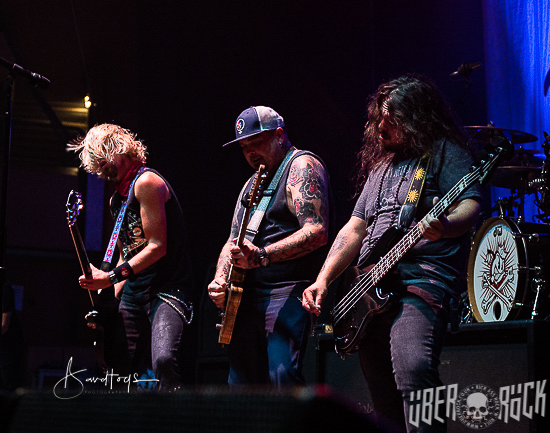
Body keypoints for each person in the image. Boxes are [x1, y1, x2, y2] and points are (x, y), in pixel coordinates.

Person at [302, 75, 482, 432]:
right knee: (384, 401)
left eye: (392, 119)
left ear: (417, 118)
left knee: (414, 370)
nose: (380, 126)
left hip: (420, 281)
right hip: (369, 291)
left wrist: (445, 225)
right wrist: (323, 279)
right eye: (378, 118)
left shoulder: (445, 153)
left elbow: (472, 204)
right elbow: (355, 228)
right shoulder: (381, 167)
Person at [208, 106, 332, 386]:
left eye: (256, 143)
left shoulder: (301, 165)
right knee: (242, 386)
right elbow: (232, 239)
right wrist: (219, 280)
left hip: (286, 290)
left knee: (281, 380)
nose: (250, 153)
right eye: (244, 148)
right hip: (246, 297)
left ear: (279, 135)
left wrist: (263, 256)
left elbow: (316, 230)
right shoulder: (252, 183)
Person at [68, 123, 194, 391]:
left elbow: (157, 246)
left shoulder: (148, 182)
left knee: (163, 361)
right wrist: (108, 301)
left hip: (167, 289)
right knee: (117, 367)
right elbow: (127, 253)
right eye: (96, 163)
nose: (101, 168)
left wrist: (111, 276)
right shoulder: (118, 199)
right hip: (134, 291)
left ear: (120, 149)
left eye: (103, 158)